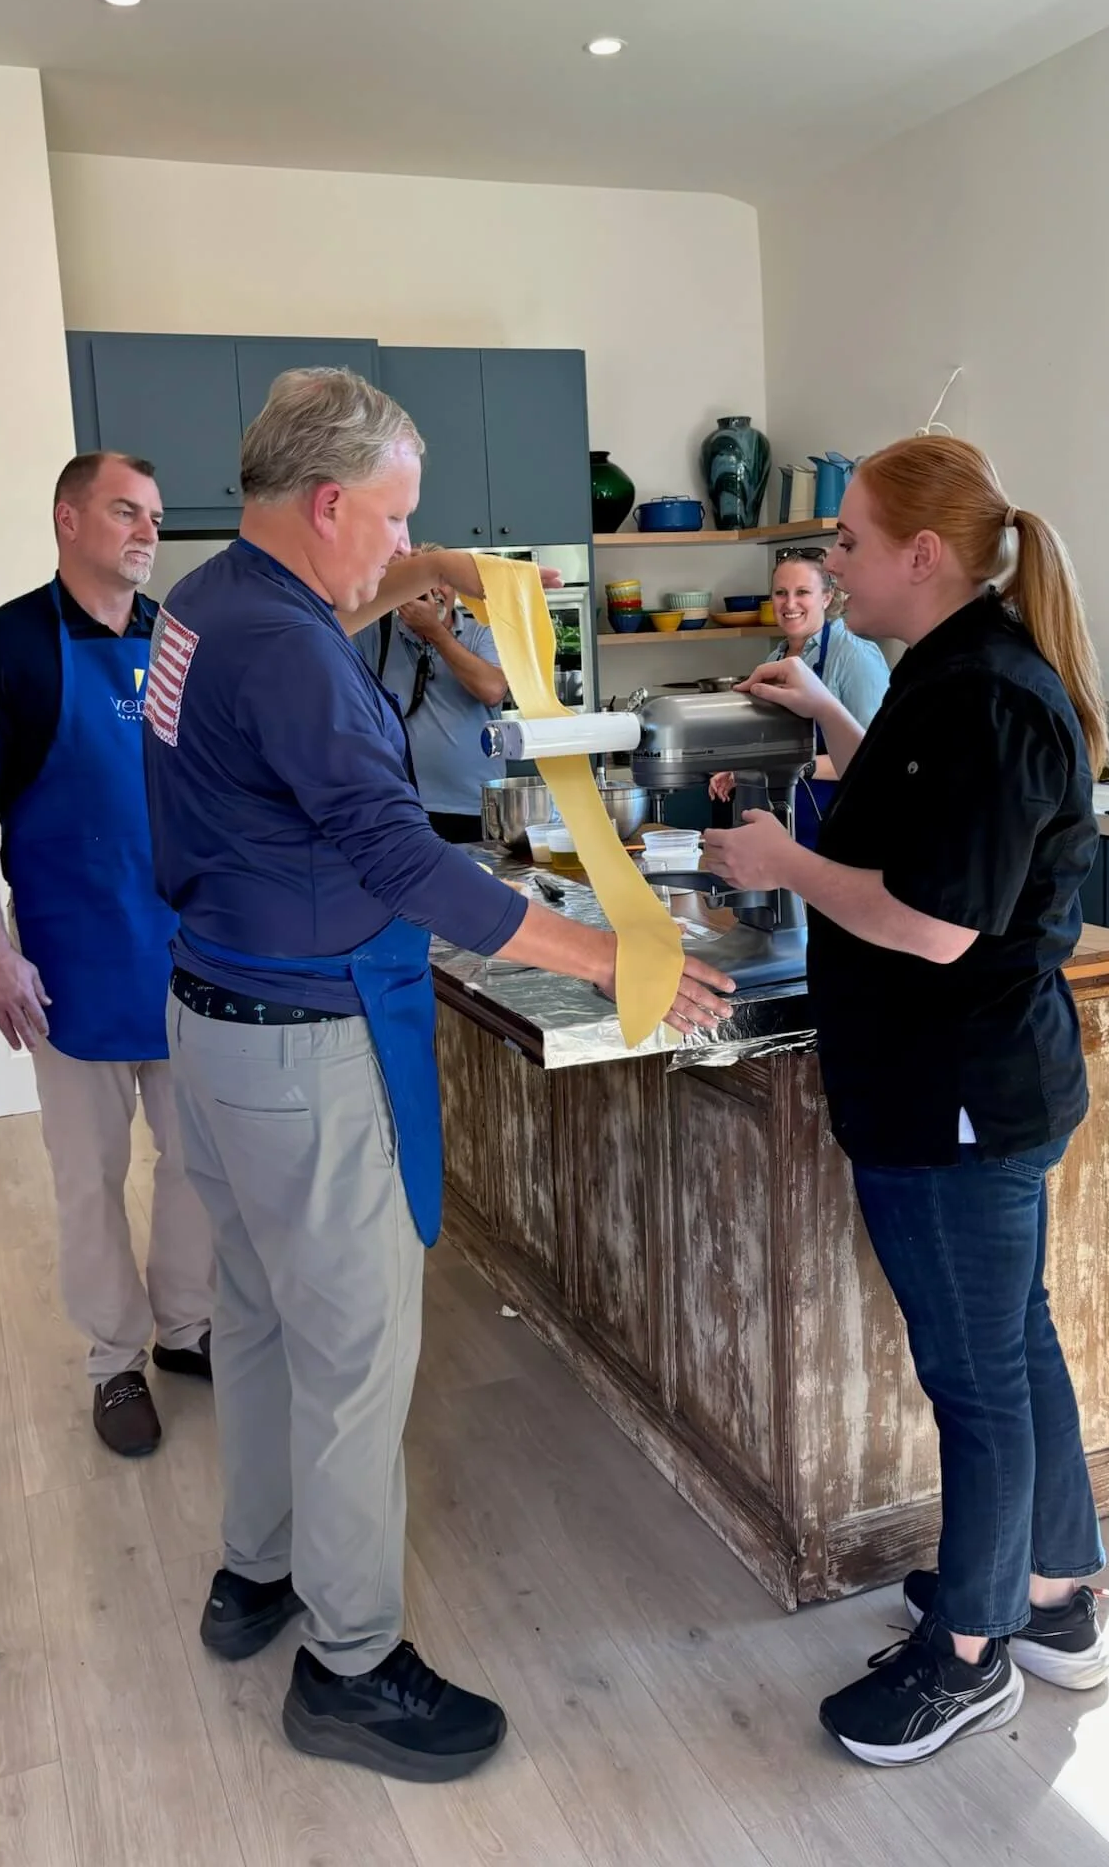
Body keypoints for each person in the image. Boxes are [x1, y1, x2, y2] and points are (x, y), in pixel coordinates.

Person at [143, 367, 732, 1784]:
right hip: (301, 1045)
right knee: (354, 1361)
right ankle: (349, 1670)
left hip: (208, 1026)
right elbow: (405, 864)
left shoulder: (211, 603)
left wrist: (441, 567)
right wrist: (607, 954)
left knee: (263, 1319)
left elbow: (324, 611)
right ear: (330, 502)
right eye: (395, 518)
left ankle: (256, 1574)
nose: (405, 549)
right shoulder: (289, 653)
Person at [702, 435, 1108, 1768]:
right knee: (1014, 1341)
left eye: (850, 546)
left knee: (977, 1377)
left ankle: (974, 1654)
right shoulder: (954, 679)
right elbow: (940, 819)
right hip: (972, 1086)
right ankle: (1049, 1594)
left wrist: (781, 860)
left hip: (957, 1098)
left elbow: (935, 924)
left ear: (923, 557)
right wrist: (831, 723)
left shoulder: (986, 695)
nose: (829, 564)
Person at [0, 452, 214, 1459]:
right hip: (71, 966)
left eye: (157, 516)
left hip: (187, 958)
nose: (147, 532)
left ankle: (186, 1327)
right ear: (68, 518)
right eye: (126, 511)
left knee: (196, 1165)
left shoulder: (176, 642)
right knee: (88, 1178)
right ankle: (114, 1360)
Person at [710, 548, 889, 846]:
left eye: (802, 592)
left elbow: (877, 759)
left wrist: (799, 767)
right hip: (785, 821)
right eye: (781, 592)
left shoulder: (855, 657)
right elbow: (775, 746)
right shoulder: (775, 658)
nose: (789, 603)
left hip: (840, 827)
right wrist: (740, 770)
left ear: (827, 597)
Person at [356, 552, 507, 842]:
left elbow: (493, 690)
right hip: (404, 807)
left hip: (477, 805)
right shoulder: (376, 635)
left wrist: (435, 632)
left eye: (442, 582)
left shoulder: (481, 633)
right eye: (419, 583)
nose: (434, 591)